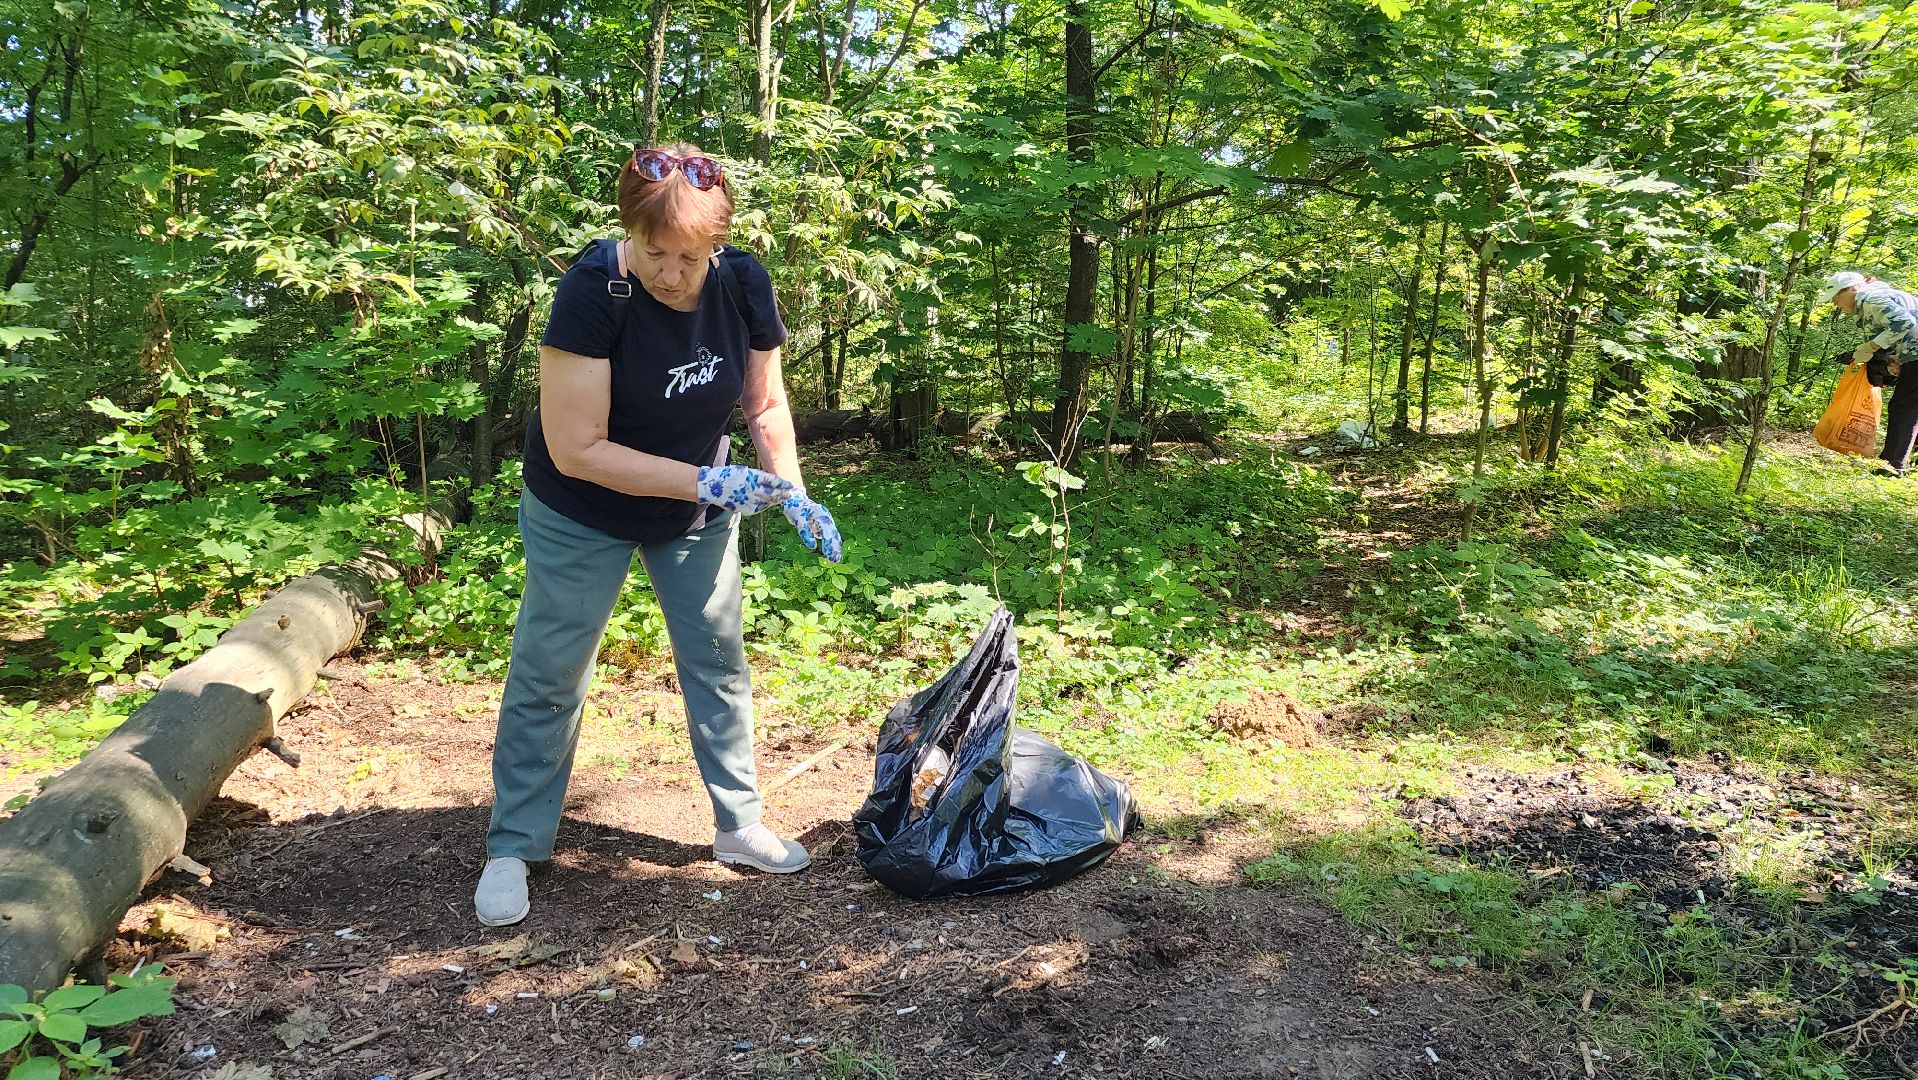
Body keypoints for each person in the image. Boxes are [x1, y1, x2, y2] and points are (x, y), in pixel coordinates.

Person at [474, 144, 843, 927]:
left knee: (717, 656)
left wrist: (792, 487)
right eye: (655, 253)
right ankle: (515, 844)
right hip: (582, 508)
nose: (672, 274)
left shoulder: (741, 283)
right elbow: (579, 447)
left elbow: (765, 405)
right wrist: (712, 481)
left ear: (719, 244)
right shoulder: (592, 293)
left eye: (691, 256)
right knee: (552, 668)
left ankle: (739, 825)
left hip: (694, 511)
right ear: (628, 233)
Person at [1822, 270, 1918, 474]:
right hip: (1911, 356)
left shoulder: (1872, 299)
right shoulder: (1874, 300)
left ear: (1850, 289)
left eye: (1836, 297)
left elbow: (1905, 323)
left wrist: (1871, 347)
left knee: (1904, 407)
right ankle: (1897, 462)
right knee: (1909, 407)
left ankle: (1892, 466)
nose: (1835, 304)